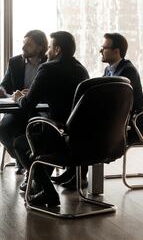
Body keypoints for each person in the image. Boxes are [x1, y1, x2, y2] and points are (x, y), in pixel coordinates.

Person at [53, 32, 143, 188]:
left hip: (137, 123)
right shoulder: (110, 70)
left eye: (104, 48)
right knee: (82, 125)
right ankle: (76, 173)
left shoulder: (127, 71)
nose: (100, 51)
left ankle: (79, 175)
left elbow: (124, 104)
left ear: (116, 51)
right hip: (120, 120)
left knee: (88, 131)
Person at [13, 31, 89, 206]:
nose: (46, 52)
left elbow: (27, 104)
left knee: (21, 143)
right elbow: (66, 95)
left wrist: (18, 97)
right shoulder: (81, 70)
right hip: (84, 138)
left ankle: (47, 191)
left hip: (60, 136)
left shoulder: (47, 68)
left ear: (57, 50)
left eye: (49, 48)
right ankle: (38, 184)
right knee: (41, 141)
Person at [0, 30, 47, 175]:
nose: (23, 48)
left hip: (39, 109)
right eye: (23, 44)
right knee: (3, 131)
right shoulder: (15, 62)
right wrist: (1, 90)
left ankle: (31, 165)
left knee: (29, 131)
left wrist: (31, 93)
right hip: (18, 108)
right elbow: (5, 84)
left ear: (40, 47)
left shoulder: (49, 63)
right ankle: (22, 160)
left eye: (29, 45)